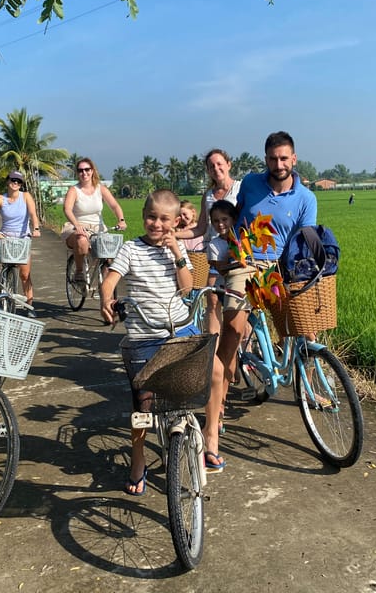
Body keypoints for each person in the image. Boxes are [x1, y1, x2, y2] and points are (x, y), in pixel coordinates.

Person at [203, 131, 317, 471]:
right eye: (272, 159)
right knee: (232, 335)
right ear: (265, 159)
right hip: (244, 263)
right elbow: (233, 215)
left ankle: (312, 389)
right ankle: (214, 416)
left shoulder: (306, 198)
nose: (278, 164)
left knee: (304, 329)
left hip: (278, 270)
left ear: (294, 159)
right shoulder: (251, 184)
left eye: (284, 158)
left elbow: (306, 239)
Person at [100, 190, 211, 494]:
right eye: (151, 217)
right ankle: (138, 460)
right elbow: (110, 279)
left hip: (179, 331)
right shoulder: (131, 249)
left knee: (188, 388)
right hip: (144, 335)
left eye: (164, 219)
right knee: (142, 405)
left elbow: (187, 288)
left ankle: (191, 435)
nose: (156, 224)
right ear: (143, 216)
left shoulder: (176, 250)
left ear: (175, 222)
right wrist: (105, 298)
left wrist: (177, 253)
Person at [174, 149, 241, 336]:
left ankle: (246, 348)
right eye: (211, 166)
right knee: (212, 301)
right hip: (214, 252)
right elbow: (201, 228)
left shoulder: (240, 189)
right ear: (208, 171)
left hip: (237, 252)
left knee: (239, 304)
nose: (216, 168)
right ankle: (214, 347)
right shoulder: (208, 196)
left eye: (219, 163)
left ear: (229, 164)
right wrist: (175, 235)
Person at [0, 170, 42, 317]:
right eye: (13, 180)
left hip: (22, 237)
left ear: (21, 184)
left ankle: (29, 305)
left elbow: (34, 215)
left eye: (18, 181)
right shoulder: (0, 198)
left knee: (25, 274)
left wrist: (36, 228)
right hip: (5, 234)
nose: (15, 183)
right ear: (8, 181)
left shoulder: (26, 196)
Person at [61, 157, 127, 285]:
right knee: (82, 240)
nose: (84, 173)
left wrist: (121, 220)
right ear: (77, 173)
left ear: (92, 171)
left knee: (110, 255)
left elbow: (115, 206)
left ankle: (107, 293)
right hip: (77, 226)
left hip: (98, 228)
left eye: (87, 169)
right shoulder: (74, 190)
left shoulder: (100, 188)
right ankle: (79, 272)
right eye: (80, 170)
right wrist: (77, 225)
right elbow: (67, 209)